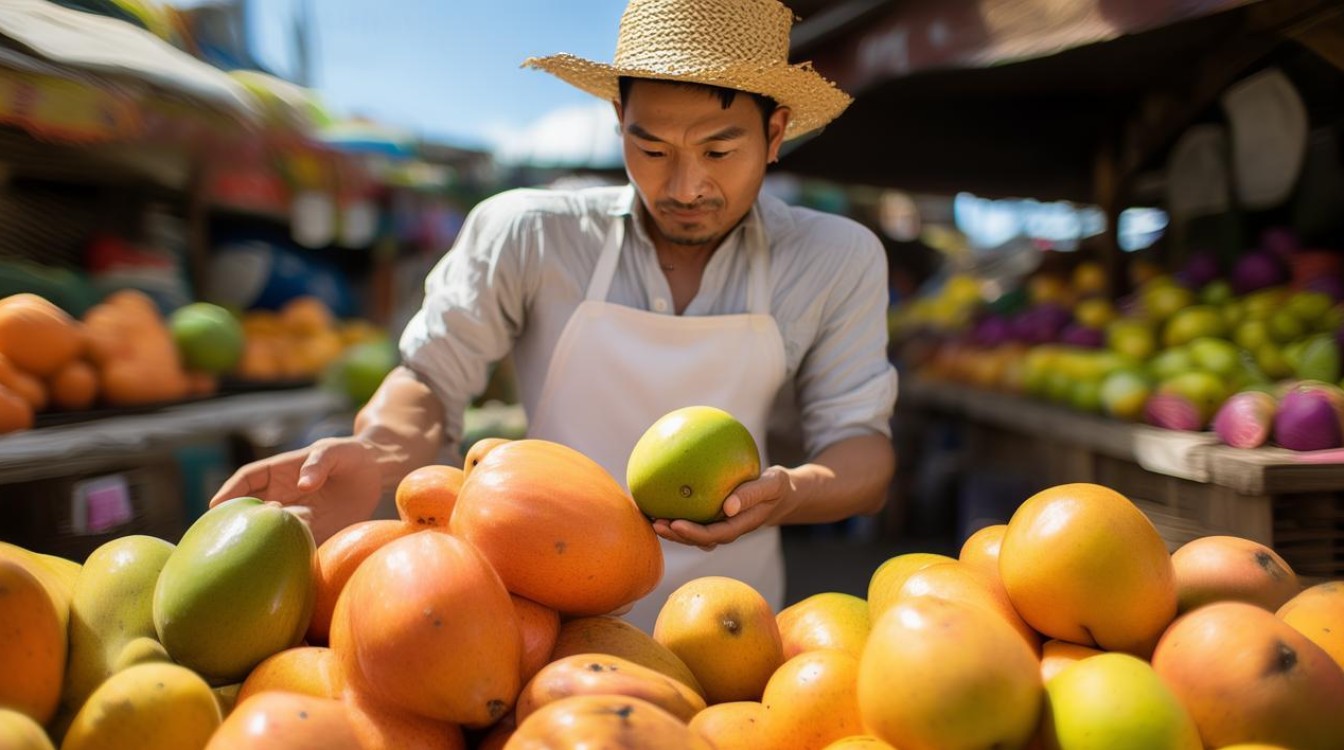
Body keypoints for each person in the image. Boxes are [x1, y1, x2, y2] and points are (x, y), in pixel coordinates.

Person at [211, 0, 897, 632]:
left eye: (719, 151)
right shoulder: (527, 234)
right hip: (541, 616)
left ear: (775, 132)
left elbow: (862, 450)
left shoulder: (834, 258)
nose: (684, 187)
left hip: (727, 622)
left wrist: (793, 492)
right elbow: (430, 379)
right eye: (651, 149)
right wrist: (382, 453)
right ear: (618, 125)